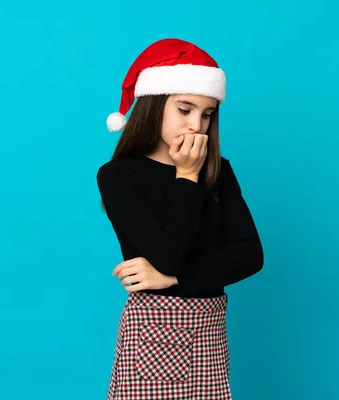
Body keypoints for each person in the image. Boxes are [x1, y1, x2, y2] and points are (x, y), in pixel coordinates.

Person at [96, 38, 264, 400]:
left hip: (209, 330)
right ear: (155, 105)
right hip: (153, 334)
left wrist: (172, 277)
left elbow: (250, 256)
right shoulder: (118, 176)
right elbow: (168, 253)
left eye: (206, 114)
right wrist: (187, 176)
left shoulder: (219, 171)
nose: (197, 125)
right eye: (185, 110)